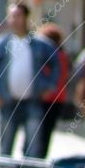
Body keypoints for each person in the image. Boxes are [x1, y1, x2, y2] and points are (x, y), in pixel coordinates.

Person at [0, 3, 59, 158]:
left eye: (18, 16)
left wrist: (50, 86)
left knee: (33, 148)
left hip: (33, 102)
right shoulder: (0, 45)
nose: (15, 20)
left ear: (26, 18)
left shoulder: (39, 44)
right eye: (12, 16)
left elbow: (57, 63)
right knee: (5, 149)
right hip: (7, 102)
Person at [35, 23, 70, 158]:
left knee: (38, 132)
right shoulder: (63, 54)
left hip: (45, 97)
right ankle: (41, 156)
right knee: (47, 132)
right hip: (58, 98)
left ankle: (36, 158)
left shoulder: (50, 55)